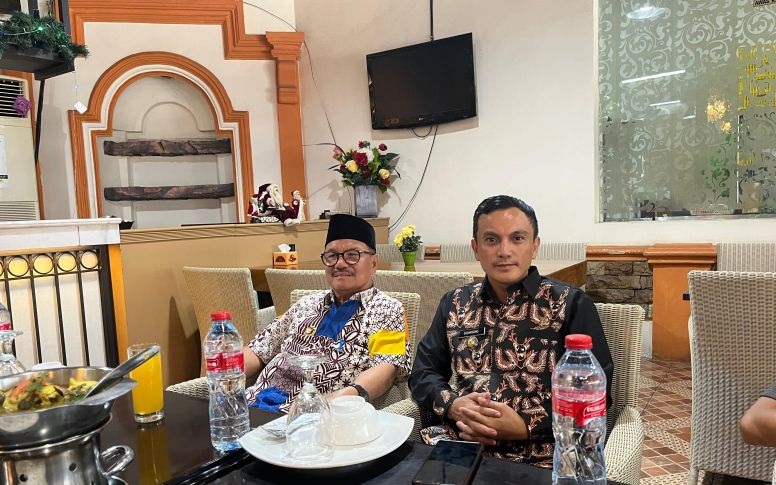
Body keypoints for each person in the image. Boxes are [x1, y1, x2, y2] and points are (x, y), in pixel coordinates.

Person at [409, 195, 613, 466]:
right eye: (491, 240)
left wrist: (526, 424)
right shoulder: (455, 303)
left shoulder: (570, 304)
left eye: (517, 238)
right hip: (463, 447)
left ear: (535, 245)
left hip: (544, 456)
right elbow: (423, 373)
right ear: (476, 248)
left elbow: (596, 393)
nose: (504, 251)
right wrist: (453, 405)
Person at [243, 213, 410, 412]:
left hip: (317, 415)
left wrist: (341, 398)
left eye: (352, 255)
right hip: (252, 403)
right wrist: (224, 372)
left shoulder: (386, 309)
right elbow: (260, 348)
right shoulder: (306, 303)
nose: (339, 264)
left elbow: (387, 367)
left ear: (373, 263)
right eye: (331, 256)